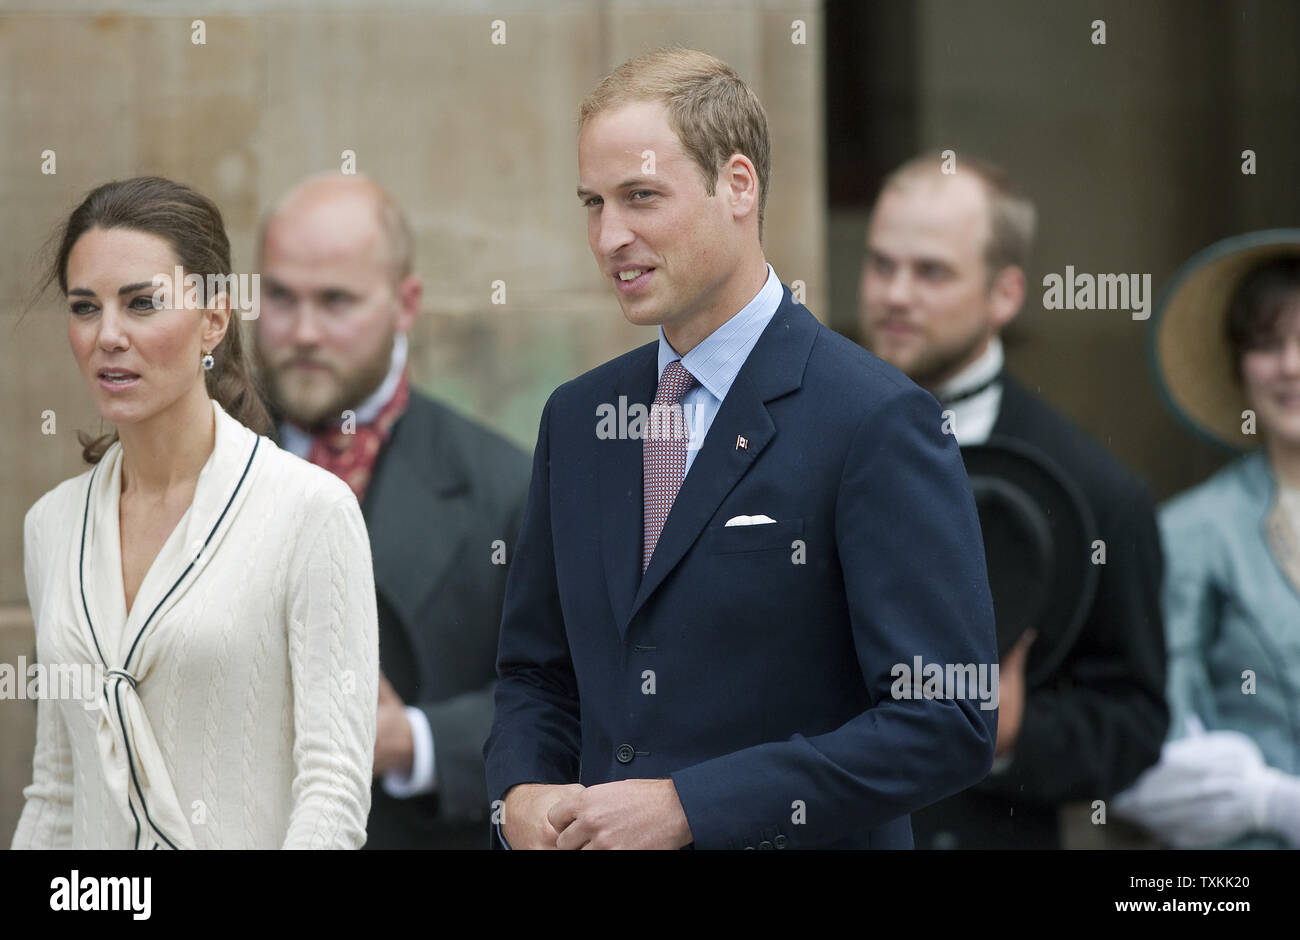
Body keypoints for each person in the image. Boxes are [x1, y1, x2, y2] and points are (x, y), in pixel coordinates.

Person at [483, 48, 998, 850]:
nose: (610, 235)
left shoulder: (878, 420)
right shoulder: (579, 417)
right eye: (593, 202)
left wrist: (693, 805)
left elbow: (948, 719)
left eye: (642, 197)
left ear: (738, 185)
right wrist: (520, 791)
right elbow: (535, 672)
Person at [11, 176, 377, 850]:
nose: (108, 336)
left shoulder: (309, 510)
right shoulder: (51, 526)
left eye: (142, 303)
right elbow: (57, 794)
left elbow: (332, 790)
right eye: (86, 307)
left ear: (213, 318)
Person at [858, 154, 1168, 848]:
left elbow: (1134, 725)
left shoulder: (1098, 493)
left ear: (1004, 295)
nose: (895, 294)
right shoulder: (800, 433)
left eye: (931, 272)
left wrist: (1010, 733)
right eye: (881, 265)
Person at [254, 174, 530, 849]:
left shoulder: (507, 487)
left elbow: (569, 702)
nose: (304, 331)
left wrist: (413, 741)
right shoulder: (198, 456)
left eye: (336, 301)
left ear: (406, 304)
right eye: (281, 298)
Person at [1113, 232, 1300, 849]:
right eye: (1267, 346)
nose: (1290, 366)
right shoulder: (1196, 531)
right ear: (1239, 364)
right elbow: (1159, 744)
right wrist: (1270, 802)